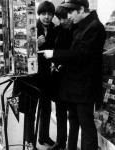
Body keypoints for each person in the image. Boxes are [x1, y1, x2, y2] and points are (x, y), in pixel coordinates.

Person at [43, 0, 107, 150]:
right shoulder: (83, 26)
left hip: (84, 87)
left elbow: (81, 54)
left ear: (82, 9)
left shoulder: (95, 27)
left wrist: (54, 54)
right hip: (75, 85)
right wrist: (62, 64)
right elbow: (77, 55)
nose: (69, 16)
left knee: (86, 126)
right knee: (73, 122)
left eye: (71, 12)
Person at [12, 1, 56, 150]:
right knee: (31, 111)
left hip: (47, 77)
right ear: (39, 14)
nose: (47, 17)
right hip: (31, 78)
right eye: (44, 14)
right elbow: (18, 52)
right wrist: (35, 44)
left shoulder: (54, 29)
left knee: (46, 108)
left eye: (50, 14)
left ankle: (43, 136)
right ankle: (29, 142)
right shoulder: (30, 27)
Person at [47, 3, 77, 150]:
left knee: (72, 114)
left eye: (64, 17)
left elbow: (75, 55)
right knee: (59, 112)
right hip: (57, 78)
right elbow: (50, 49)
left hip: (70, 77)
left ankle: (71, 145)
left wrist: (62, 65)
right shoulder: (57, 30)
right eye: (59, 18)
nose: (62, 21)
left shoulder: (76, 31)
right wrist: (54, 64)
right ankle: (60, 141)